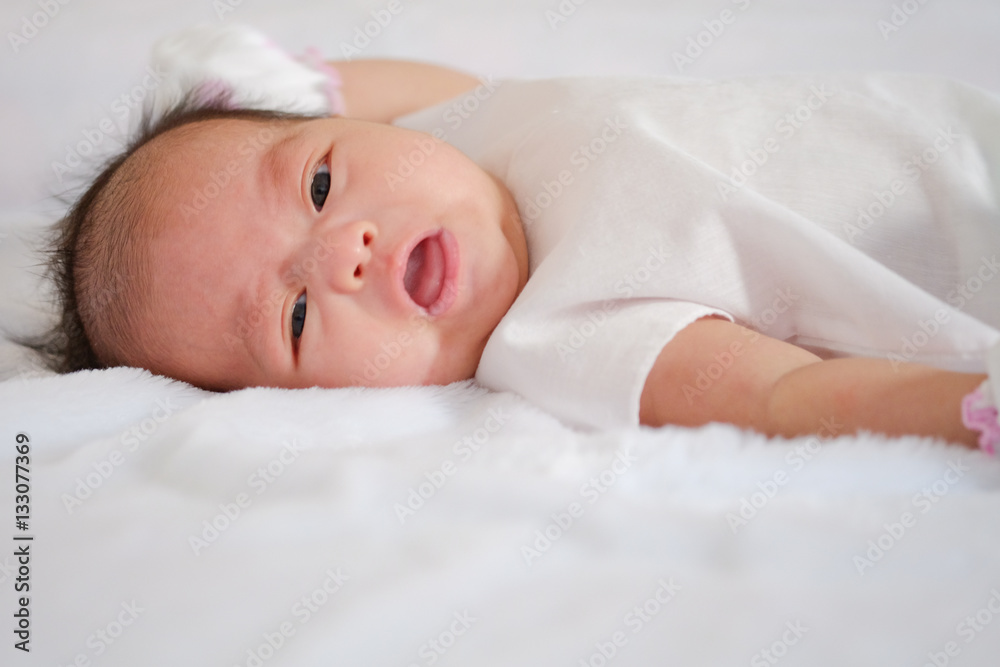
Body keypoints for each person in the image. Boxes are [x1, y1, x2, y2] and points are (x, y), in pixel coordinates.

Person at [24, 25, 1000, 451]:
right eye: (296, 317)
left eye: (319, 185)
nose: (342, 252)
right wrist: (968, 410)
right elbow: (784, 396)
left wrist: (252, 87)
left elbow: (336, 96)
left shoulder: (455, 128)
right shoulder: (561, 332)